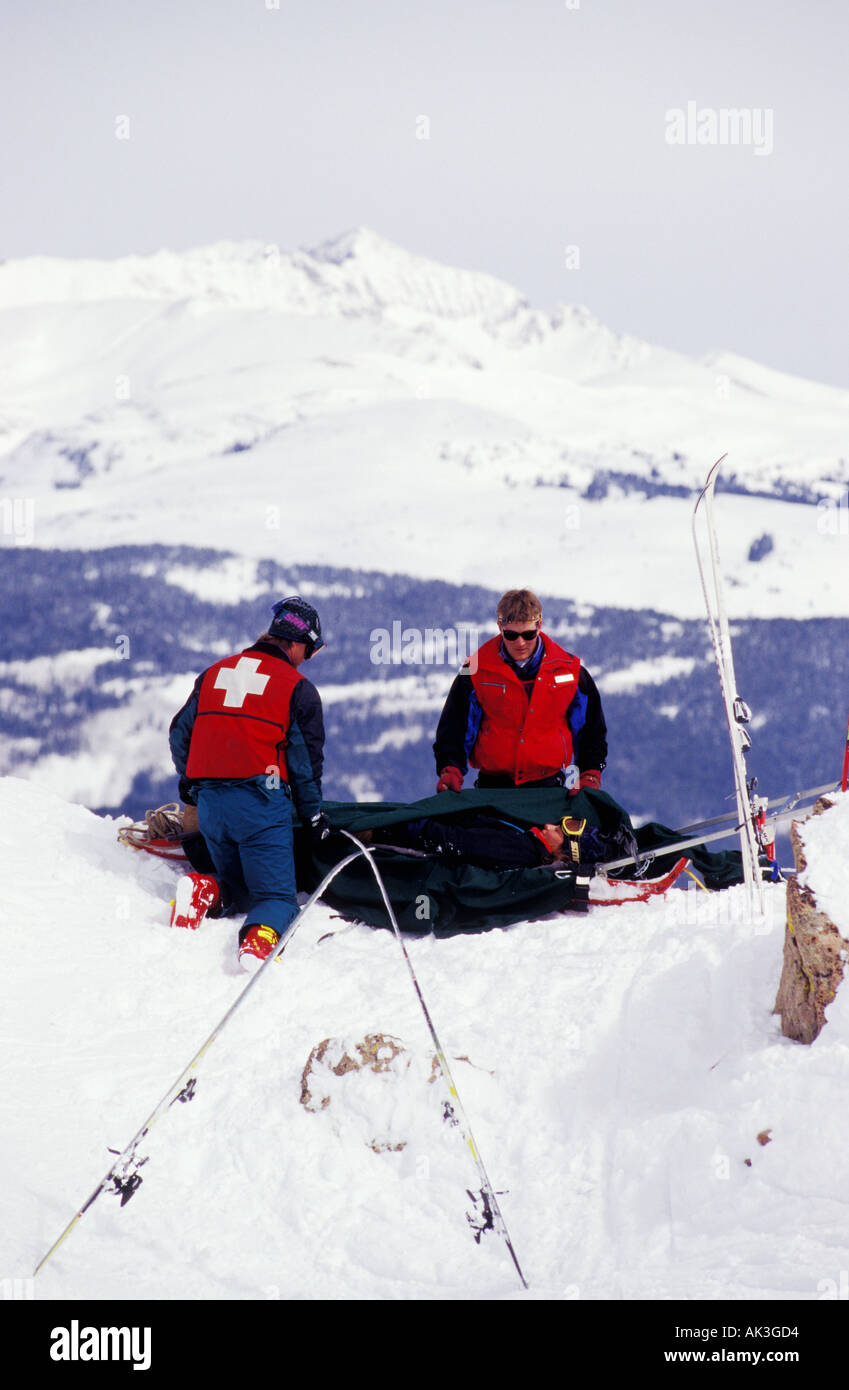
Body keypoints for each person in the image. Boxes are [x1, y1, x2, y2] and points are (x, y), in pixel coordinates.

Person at [168, 596, 330, 972]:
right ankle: (257, 945)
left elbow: (179, 734)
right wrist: (313, 815)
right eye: (310, 649)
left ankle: (204, 891)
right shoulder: (297, 689)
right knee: (276, 897)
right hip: (260, 805)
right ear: (294, 643)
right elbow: (304, 764)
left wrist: (191, 782)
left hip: (210, 806)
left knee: (240, 886)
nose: (308, 658)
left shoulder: (214, 674)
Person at [433, 588, 607, 795]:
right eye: (511, 635)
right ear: (500, 627)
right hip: (493, 786)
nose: (520, 643)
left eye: (528, 634)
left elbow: (591, 730)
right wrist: (450, 769)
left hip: (548, 786)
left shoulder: (571, 672)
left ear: (539, 625)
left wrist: (589, 774)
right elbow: (454, 726)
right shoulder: (475, 670)